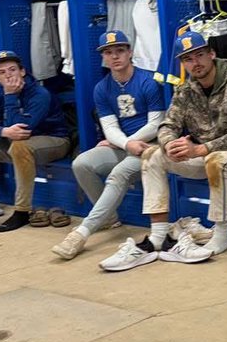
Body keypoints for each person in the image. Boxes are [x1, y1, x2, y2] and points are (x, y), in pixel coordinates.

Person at [99, 30, 227, 271]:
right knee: (152, 155)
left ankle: (221, 234)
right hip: (202, 155)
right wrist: (170, 143)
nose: (195, 63)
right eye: (187, 59)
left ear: (212, 54)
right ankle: (158, 236)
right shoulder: (185, 89)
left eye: (199, 55)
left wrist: (200, 148)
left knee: (217, 160)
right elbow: (168, 125)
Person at [52, 30, 165, 260]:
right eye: (108, 52)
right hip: (124, 145)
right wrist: (126, 144)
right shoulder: (102, 88)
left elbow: (156, 123)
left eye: (120, 50)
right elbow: (109, 127)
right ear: (103, 57)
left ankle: (82, 232)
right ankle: (109, 218)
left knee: (119, 173)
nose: (114, 56)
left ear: (130, 52)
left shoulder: (148, 81)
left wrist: (128, 143)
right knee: (81, 163)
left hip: (150, 146)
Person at [0, 49, 71, 232]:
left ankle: (22, 211)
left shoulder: (39, 93)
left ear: (22, 71)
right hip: (14, 141)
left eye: (12, 69)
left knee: (20, 146)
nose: (8, 75)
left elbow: (23, 130)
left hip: (54, 141)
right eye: (2, 72)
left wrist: (10, 96)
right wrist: (3, 131)